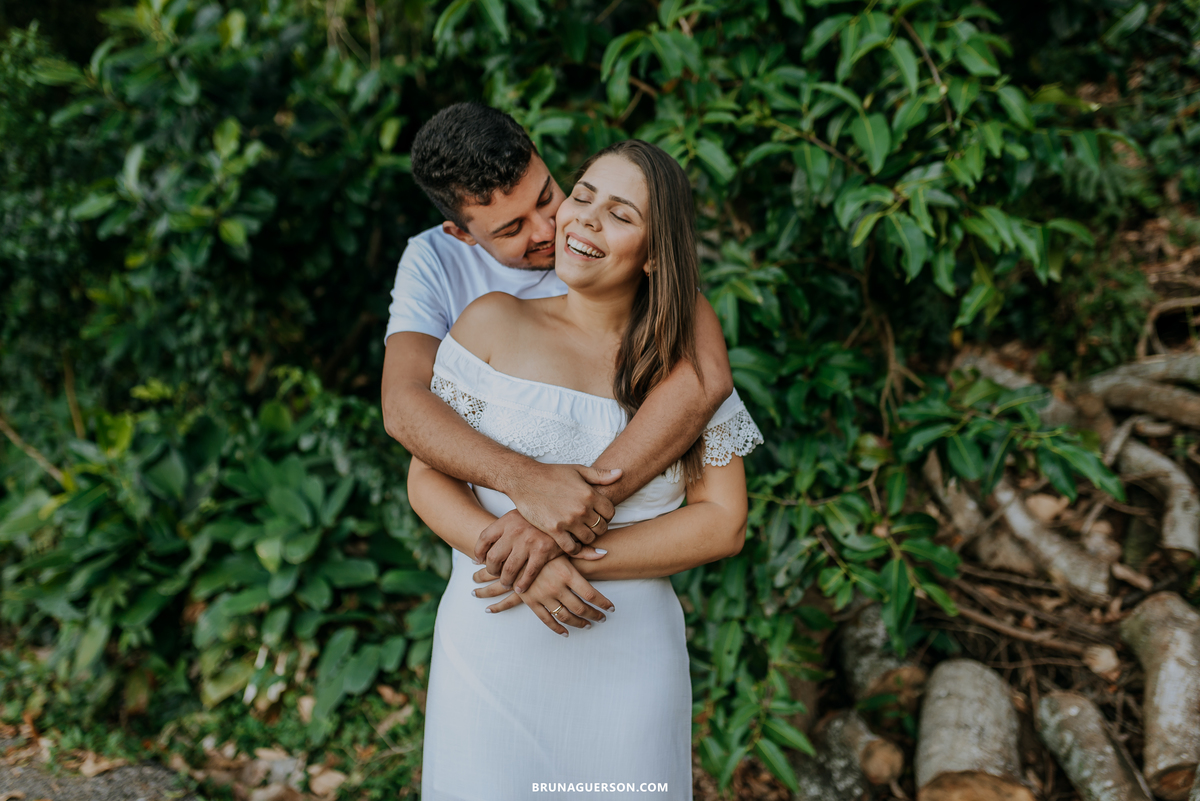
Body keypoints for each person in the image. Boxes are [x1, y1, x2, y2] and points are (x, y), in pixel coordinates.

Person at [408, 140, 762, 800]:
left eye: (621, 214)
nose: (586, 219)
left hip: (629, 665)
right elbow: (427, 477)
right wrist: (514, 557)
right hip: (488, 651)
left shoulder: (680, 368)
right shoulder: (490, 322)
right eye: (582, 195)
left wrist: (561, 552)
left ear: (656, 253)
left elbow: (723, 522)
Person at [380, 103, 734, 593]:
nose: (547, 231)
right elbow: (404, 406)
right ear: (461, 234)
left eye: (547, 197)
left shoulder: (612, 244)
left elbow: (705, 377)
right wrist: (524, 483)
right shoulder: (436, 264)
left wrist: (558, 528)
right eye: (512, 229)